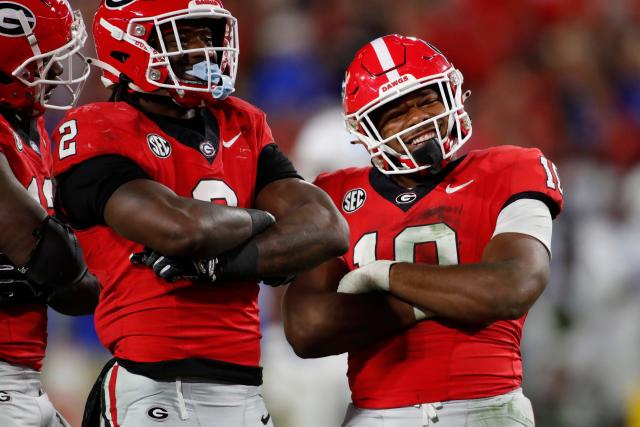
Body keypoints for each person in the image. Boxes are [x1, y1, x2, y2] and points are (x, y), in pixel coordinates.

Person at [51, 1, 348, 426]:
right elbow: (180, 230)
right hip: (152, 382)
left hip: (244, 387)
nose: (203, 49)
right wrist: (265, 222)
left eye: (208, 35)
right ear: (127, 45)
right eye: (183, 36)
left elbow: (328, 227)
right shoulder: (98, 127)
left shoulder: (240, 122)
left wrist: (219, 265)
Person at [283, 34, 564, 427]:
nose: (417, 119)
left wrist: (383, 275)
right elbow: (307, 329)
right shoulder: (335, 193)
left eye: (426, 99)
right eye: (395, 112)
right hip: (375, 413)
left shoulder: (512, 168)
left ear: (452, 94)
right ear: (365, 128)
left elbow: (513, 286)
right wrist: (457, 294)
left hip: (486, 405)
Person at [0, 1, 99, 426]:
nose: (57, 72)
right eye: (46, 60)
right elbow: (60, 265)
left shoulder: (31, 127)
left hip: (23, 371)